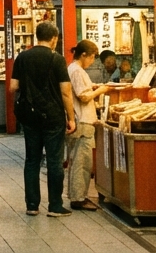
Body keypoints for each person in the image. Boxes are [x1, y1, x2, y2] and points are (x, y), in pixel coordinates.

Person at [10, 21, 76, 217]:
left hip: (30, 116)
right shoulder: (57, 59)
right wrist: (71, 118)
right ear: (54, 38)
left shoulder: (22, 57)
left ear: (36, 36)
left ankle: (32, 205)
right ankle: (55, 205)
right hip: (53, 116)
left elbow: (13, 87)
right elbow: (66, 92)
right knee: (55, 161)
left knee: (32, 160)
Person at [67, 40, 108, 211]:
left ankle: (77, 195)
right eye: (91, 57)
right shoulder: (77, 70)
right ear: (83, 55)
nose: (92, 61)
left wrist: (93, 87)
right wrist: (100, 90)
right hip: (83, 120)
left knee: (78, 160)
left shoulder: (73, 69)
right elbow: (83, 96)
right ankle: (78, 197)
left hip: (80, 120)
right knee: (82, 162)